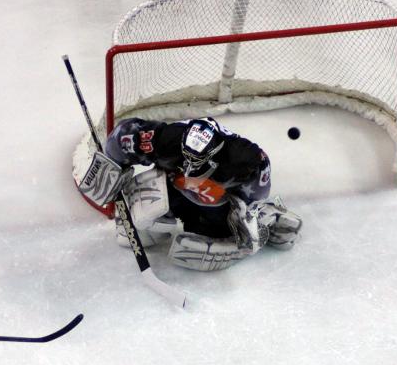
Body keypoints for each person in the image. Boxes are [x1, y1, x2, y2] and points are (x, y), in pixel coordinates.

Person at [78, 116, 302, 271]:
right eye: (187, 157)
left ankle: (269, 217)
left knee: (218, 231)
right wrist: (114, 166)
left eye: (197, 160)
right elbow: (122, 138)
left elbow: (255, 192)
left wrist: (248, 213)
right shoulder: (167, 139)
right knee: (137, 229)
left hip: (215, 204)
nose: (189, 165)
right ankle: (162, 220)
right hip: (173, 189)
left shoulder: (243, 160)